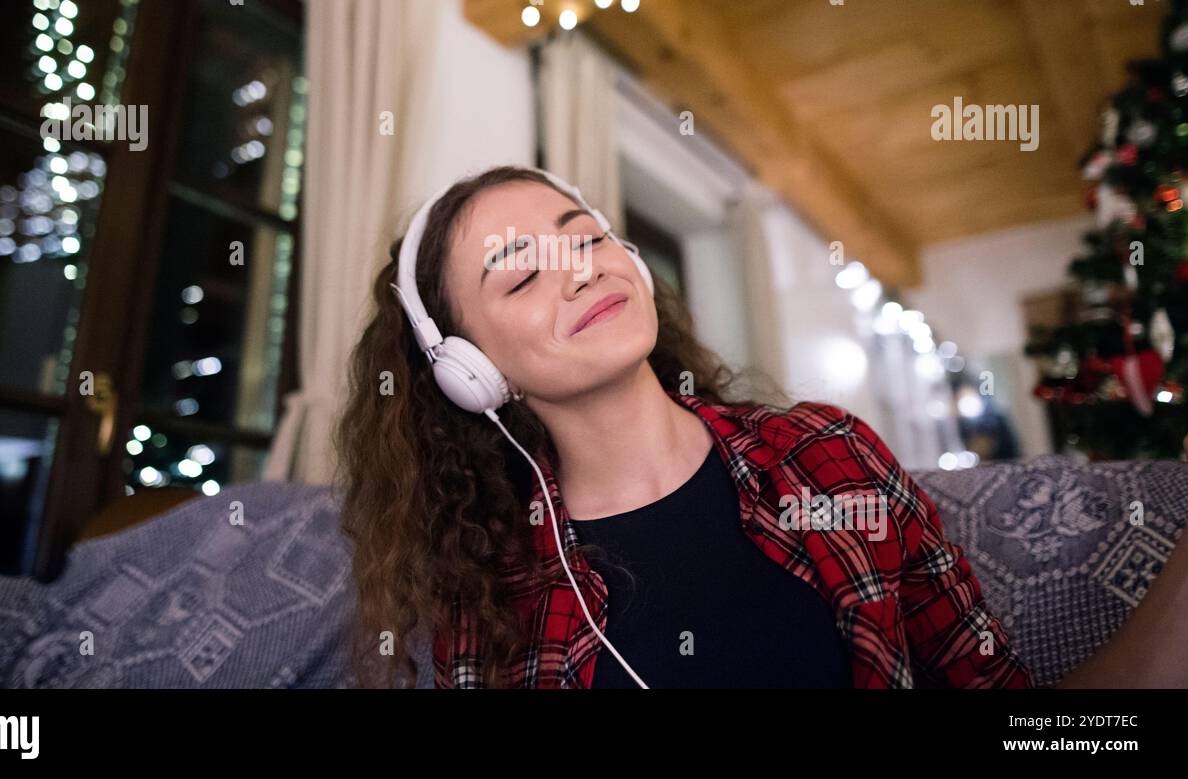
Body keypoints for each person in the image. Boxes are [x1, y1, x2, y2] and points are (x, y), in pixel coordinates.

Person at [334, 164, 1034, 688]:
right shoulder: (491, 591)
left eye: (585, 240)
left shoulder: (828, 454)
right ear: (470, 371)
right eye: (521, 279)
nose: (580, 274)